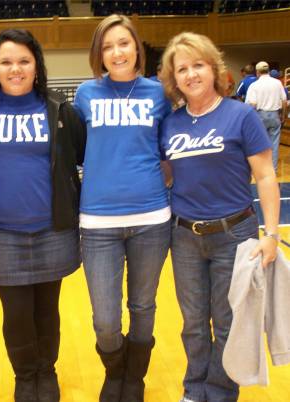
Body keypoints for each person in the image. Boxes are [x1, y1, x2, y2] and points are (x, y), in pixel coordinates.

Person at [0, 29, 85, 402]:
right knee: (16, 314)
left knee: (47, 310)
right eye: (6, 62)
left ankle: (46, 371)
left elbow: (78, 155)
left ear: (36, 65)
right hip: (2, 233)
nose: (15, 69)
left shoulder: (58, 109)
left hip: (52, 230)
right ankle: (25, 375)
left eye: (24, 61)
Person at [160, 32, 280, 402]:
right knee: (194, 324)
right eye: (182, 69)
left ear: (213, 69)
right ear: (173, 78)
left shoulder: (241, 115)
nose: (191, 74)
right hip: (184, 237)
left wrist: (272, 234)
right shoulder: (171, 123)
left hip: (234, 234)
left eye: (198, 65)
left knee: (228, 323)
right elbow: (166, 175)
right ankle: (194, 391)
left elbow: (265, 175)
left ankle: (220, 392)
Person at [73, 14, 171, 402]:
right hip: (97, 222)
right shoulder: (85, 94)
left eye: (123, 43)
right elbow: (78, 149)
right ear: (99, 53)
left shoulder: (158, 94)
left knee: (143, 304)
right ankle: (115, 368)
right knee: (105, 318)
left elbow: (169, 149)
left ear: (137, 48)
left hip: (151, 218)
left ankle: (132, 380)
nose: (117, 52)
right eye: (108, 46)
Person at [246, 61, 287, 172]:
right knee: (274, 144)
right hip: (275, 115)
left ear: (257, 72)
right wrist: (283, 116)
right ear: (268, 70)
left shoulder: (254, 85)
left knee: (258, 143)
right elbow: (284, 101)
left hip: (260, 116)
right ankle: (272, 170)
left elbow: (252, 105)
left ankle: (259, 169)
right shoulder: (277, 83)